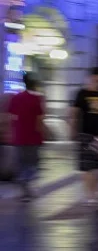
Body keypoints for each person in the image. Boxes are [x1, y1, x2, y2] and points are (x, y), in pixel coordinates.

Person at [71, 68, 98, 204]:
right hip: (85, 134)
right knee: (87, 167)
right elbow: (74, 112)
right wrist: (73, 130)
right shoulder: (82, 94)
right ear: (91, 78)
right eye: (97, 80)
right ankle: (90, 195)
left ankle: (96, 191)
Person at [7, 73, 45, 202]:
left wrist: (12, 132)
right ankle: (27, 186)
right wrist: (41, 133)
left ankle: (24, 188)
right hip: (33, 137)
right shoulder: (36, 99)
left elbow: (11, 117)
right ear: (34, 85)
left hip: (19, 136)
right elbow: (40, 119)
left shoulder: (16, 98)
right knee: (32, 163)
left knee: (21, 163)